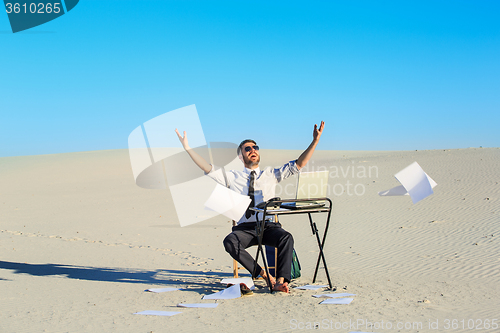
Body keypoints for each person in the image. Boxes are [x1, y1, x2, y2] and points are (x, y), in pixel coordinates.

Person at [175, 121, 324, 293]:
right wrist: (187, 147)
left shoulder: (271, 174)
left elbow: (299, 164)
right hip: (245, 229)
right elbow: (207, 168)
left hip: (267, 226)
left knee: (286, 237)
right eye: (247, 149)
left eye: (255, 147)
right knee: (230, 242)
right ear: (241, 156)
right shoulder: (232, 177)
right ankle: (264, 275)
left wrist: (315, 141)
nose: (253, 150)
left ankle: (281, 281)